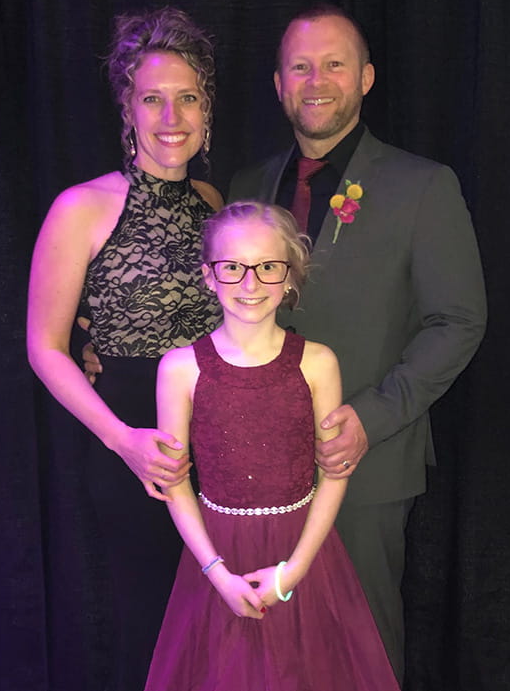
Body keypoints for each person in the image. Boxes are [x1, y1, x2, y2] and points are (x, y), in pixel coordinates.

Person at [226, 6, 488, 684]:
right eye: (301, 66)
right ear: (278, 84)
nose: (317, 80)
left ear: (366, 77)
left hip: (363, 468)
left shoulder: (424, 186)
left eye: (335, 64)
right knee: (263, 651)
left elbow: (458, 320)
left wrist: (369, 419)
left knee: (357, 651)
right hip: (250, 474)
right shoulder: (247, 187)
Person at [27, 8, 223, 690]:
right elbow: (46, 347)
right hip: (136, 445)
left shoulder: (211, 200)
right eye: (152, 97)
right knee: (151, 631)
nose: (171, 115)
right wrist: (122, 439)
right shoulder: (81, 207)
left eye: (188, 97)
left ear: (207, 107)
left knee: (218, 628)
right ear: (126, 106)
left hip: (220, 441)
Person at [143, 201, 400, 691]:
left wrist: (295, 570)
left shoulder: (318, 363)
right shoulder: (179, 369)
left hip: (303, 556)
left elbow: (335, 471)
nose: (250, 283)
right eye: (233, 267)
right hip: (216, 556)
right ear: (209, 276)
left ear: (289, 279)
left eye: (267, 267)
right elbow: (175, 483)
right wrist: (217, 574)